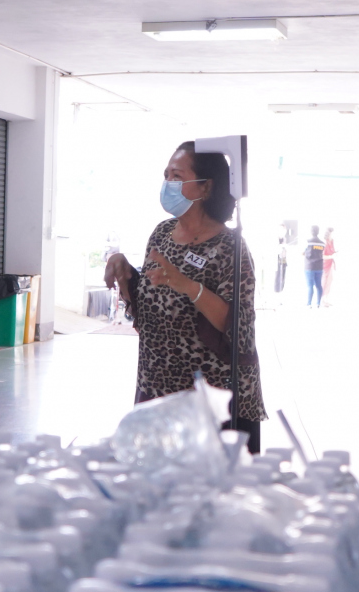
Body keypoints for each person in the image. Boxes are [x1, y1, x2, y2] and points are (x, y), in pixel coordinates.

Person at [102, 142, 266, 451]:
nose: (168, 183)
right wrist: (126, 275)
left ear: (206, 186)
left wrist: (190, 287)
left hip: (210, 397)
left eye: (177, 176)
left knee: (207, 478)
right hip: (157, 386)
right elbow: (151, 305)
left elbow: (239, 328)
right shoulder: (161, 234)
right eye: (166, 175)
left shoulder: (230, 247)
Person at [301, 228, 325, 307]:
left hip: (309, 267)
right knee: (319, 285)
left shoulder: (308, 242)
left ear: (311, 232)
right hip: (319, 267)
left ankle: (309, 304)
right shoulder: (322, 243)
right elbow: (322, 253)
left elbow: (302, 252)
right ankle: (318, 303)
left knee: (310, 286)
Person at [322, 228, 337, 306]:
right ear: (329, 234)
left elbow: (332, 251)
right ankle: (322, 300)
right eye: (333, 233)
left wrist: (335, 253)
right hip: (325, 266)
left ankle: (325, 299)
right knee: (324, 282)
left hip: (330, 264)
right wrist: (331, 256)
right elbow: (322, 256)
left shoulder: (332, 241)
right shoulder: (325, 243)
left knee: (329, 281)